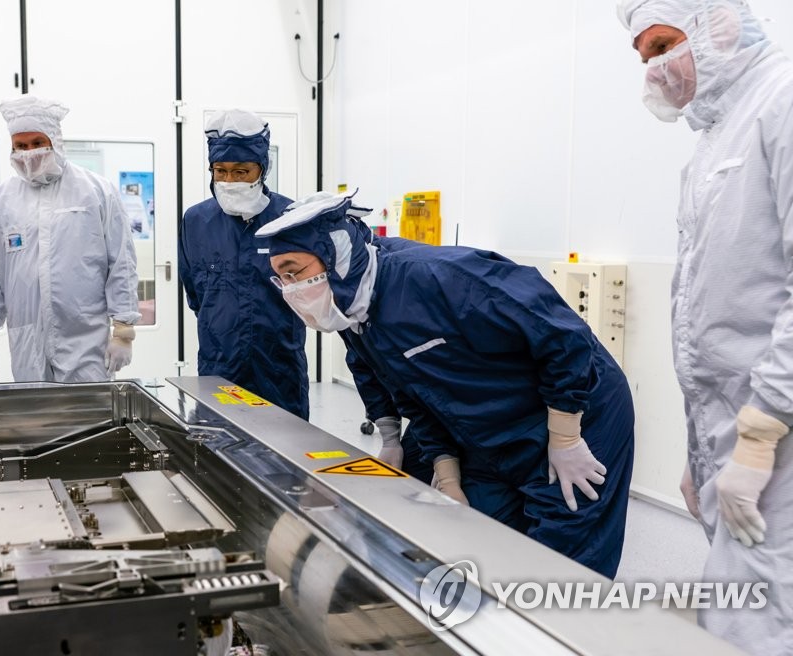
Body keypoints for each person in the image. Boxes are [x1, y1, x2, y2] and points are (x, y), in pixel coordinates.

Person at [256, 193, 635, 578]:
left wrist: (566, 436)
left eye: (295, 272)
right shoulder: (355, 315)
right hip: (488, 425)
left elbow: (563, 337)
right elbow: (418, 397)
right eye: (281, 278)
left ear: (334, 256)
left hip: (577, 406)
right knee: (474, 542)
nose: (289, 289)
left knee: (561, 562)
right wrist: (447, 472)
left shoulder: (439, 277)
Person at [618, 1, 793, 651]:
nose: (654, 70)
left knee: (762, 621)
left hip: (777, 438)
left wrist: (758, 437)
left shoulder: (782, 105)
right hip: (730, 436)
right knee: (735, 608)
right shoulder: (713, 141)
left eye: (663, 45)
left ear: (717, 24)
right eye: (642, 57)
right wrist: (699, 455)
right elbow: (708, 316)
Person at [0, 95, 139, 383]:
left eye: (37, 143)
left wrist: (123, 330)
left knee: (90, 417)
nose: (28, 153)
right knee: (36, 418)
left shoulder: (95, 191)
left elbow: (121, 262)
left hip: (85, 339)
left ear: (56, 141)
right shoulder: (1, 200)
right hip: (26, 339)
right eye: (20, 146)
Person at [179, 109, 309, 418]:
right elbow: (195, 294)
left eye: (241, 172)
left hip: (279, 365)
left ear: (262, 169)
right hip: (219, 363)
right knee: (219, 450)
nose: (229, 181)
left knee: (284, 449)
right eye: (220, 171)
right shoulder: (196, 221)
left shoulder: (290, 218)